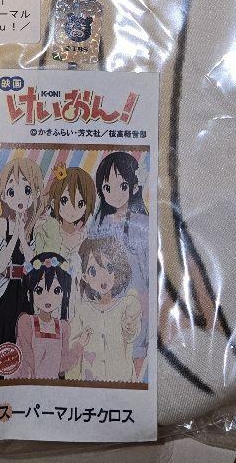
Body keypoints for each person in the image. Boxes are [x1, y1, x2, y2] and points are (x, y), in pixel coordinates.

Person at [87, 151, 150, 378]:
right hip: (106, 297)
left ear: (134, 187)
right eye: (107, 187)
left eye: (122, 186)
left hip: (138, 297)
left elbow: (149, 269)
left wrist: (147, 298)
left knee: (136, 348)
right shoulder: (98, 223)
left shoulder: (144, 224)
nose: (114, 194)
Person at [0, 156, 44, 356]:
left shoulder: (34, 226)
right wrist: (14, 238)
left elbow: (34, 264)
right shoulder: (1, 224)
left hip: (24, 291)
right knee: (1, 339)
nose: (20, 197)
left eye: (27, 190)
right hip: (4, 290)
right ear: (4, 195)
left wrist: (24, 238)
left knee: (24, 340)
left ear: (35, 193)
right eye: (12, 191)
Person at [70, 235, 141, 383]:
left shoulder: (125, 306)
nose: (102, 277)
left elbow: (131, 336)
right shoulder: (83, 310)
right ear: (85, 277)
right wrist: (80, 342)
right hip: (91, 380)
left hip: (122, 380)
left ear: (118, 270)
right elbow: (71, 343)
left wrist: (129, 327)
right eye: (93, 271)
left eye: (109, 268)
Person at [12, 252, 89, 380]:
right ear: (29, 293)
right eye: (39, 290)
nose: (48, 297)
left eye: (56, 290)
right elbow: (26, 361)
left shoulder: (63, 327)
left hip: (52, 386)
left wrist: (79, 344)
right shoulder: (26, 323)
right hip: (29, 384)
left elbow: (61, 366)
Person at [33, 163, 95, 279]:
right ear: (53, 203)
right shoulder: (47, 232)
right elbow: (38, 263)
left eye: (80, 203)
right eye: (64, 200)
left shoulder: (85, 235)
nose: (72, 209)